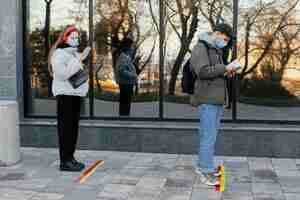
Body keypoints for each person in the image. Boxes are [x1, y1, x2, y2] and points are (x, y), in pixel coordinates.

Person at [190, 23, 238, 185]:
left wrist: (226, 71)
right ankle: (205, 170)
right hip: (207, 99)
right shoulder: (201, 47)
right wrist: (223, 67)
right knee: (208, 136)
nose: (224, 42)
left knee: (209, 135)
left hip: (215, 99)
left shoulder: (213, 48)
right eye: (224, 39)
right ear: (217, 33)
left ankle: (204, 165)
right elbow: (202, 71)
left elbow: (214, 71)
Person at [49, 25, 91, 171]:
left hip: (75, 95)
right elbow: (62, 74)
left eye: (77, 37)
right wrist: (79, 59)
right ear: (65, 38)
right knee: (66, 128)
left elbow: (76, 74)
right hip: (65, 95)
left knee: (73, 128)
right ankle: (64, 161)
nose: (76, 40)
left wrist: (80, 58)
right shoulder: (59, 54)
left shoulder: (73, 54)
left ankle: (70, 158)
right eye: (72, 37)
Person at [115, 36, 138, 116]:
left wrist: (133, 62)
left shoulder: (125, 57)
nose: (132, 48)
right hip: (125, 84)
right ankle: (124, 117)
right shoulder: (123, 57)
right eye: (132, 46)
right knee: (125, 102)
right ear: (128, 47)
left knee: (126, 102)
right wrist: (133, 75)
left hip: (127, 84)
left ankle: (124, 117)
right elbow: (121, 71)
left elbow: (125, 68)